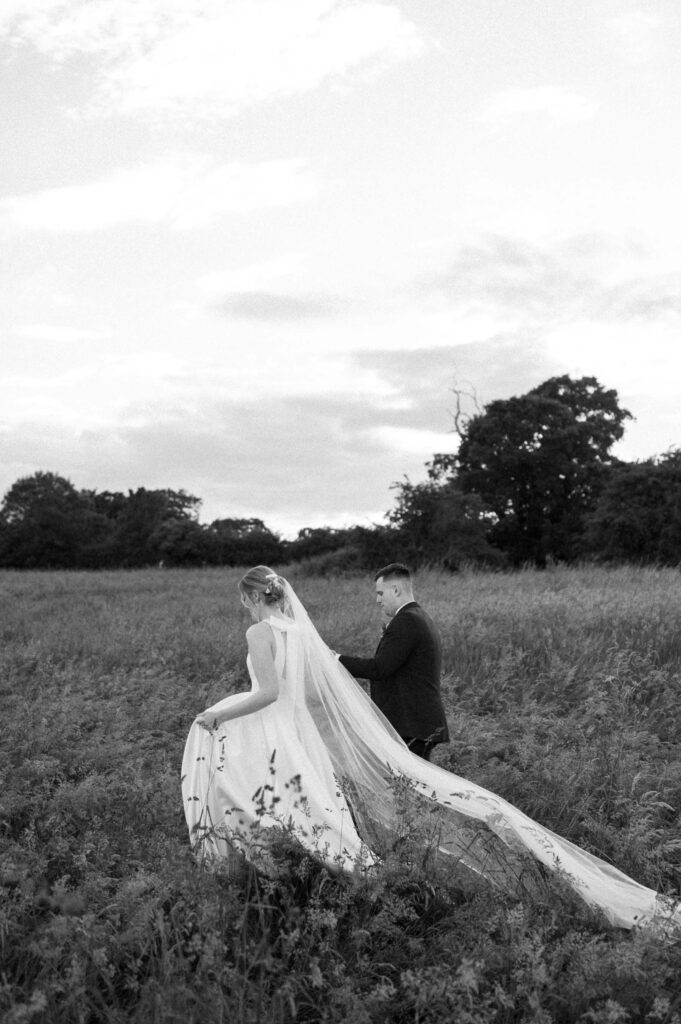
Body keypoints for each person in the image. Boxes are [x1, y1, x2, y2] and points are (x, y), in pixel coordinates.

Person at [181, 565, 681, 933]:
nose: (244, 608)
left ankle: (280, 875)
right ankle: (311, 871)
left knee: (260, 795)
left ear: (252, 599)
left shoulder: (261, 630)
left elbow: (270, 693)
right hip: (295, 732)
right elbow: (309, 694)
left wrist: (218, 713)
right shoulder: (297, 634)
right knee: (308, 804)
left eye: (243, 601)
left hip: (277, 730)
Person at [337, 563, 448, 761]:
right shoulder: (419, 616)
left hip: (411, 724)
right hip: (415, 723)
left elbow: (380, 668)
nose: (377, 600)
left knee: (411, 788)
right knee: (411, 788)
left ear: (395, 590)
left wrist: (336, 660)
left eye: (380, 593)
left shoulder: (407, 620)